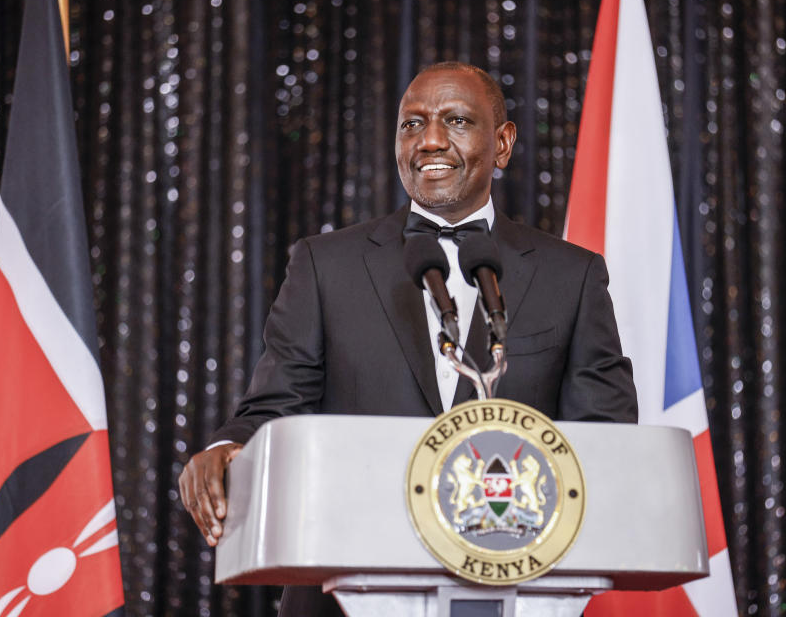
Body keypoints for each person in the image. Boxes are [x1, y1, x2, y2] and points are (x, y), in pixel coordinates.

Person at [178, 62, 638, 616]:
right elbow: (276, 408)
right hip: (342, 587)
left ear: (503, 143)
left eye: (457, 121)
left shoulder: (572, 275)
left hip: (513, 589)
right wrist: (224, 449)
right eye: (412, 124)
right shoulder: (326, 266)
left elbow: (605, 440)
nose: (431, 140)